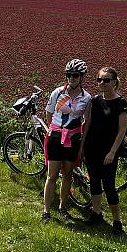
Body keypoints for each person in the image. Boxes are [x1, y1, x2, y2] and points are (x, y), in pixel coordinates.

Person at [81, 67, 127, 235]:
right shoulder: (94, 100)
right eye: (99, 80)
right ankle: (96, 213)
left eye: (106, 80)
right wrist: (81, 147)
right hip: (92, 148)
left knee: (109, 186)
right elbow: (87, 124)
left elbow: (122, 130)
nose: (102, 83)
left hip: (109, 152)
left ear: (115, 82)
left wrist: (112, 152)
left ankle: (117, 222)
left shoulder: (121, 103)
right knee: (94, 182)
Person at [42, 59, 92, 222]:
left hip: (73, 139)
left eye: (75, 75)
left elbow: (86, 121)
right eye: (68, 75)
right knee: (52, 176)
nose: (71, 78)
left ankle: (63, 208)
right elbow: (49, 113)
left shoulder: (87, 98)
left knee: (68, 175)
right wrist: (54, 130)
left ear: (82, 77)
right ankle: (46, 211)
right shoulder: (58, 92)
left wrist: (82, 144)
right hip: (56, 138)